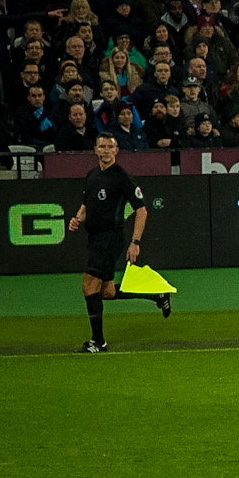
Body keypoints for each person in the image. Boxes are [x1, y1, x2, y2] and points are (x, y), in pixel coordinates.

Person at [65, 133, 171, 352]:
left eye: (109, 147)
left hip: (110, 238)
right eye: (102, 146)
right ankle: (157, 296)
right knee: (106, 292)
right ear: (95, 150)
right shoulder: (92, 175)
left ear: (116, 150)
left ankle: (98, 341)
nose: (105, 151)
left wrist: (135, 242)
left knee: (88, 285)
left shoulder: (121, 177)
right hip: (95, 238)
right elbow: (86, 204)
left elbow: (141, 210)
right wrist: (77, 218)